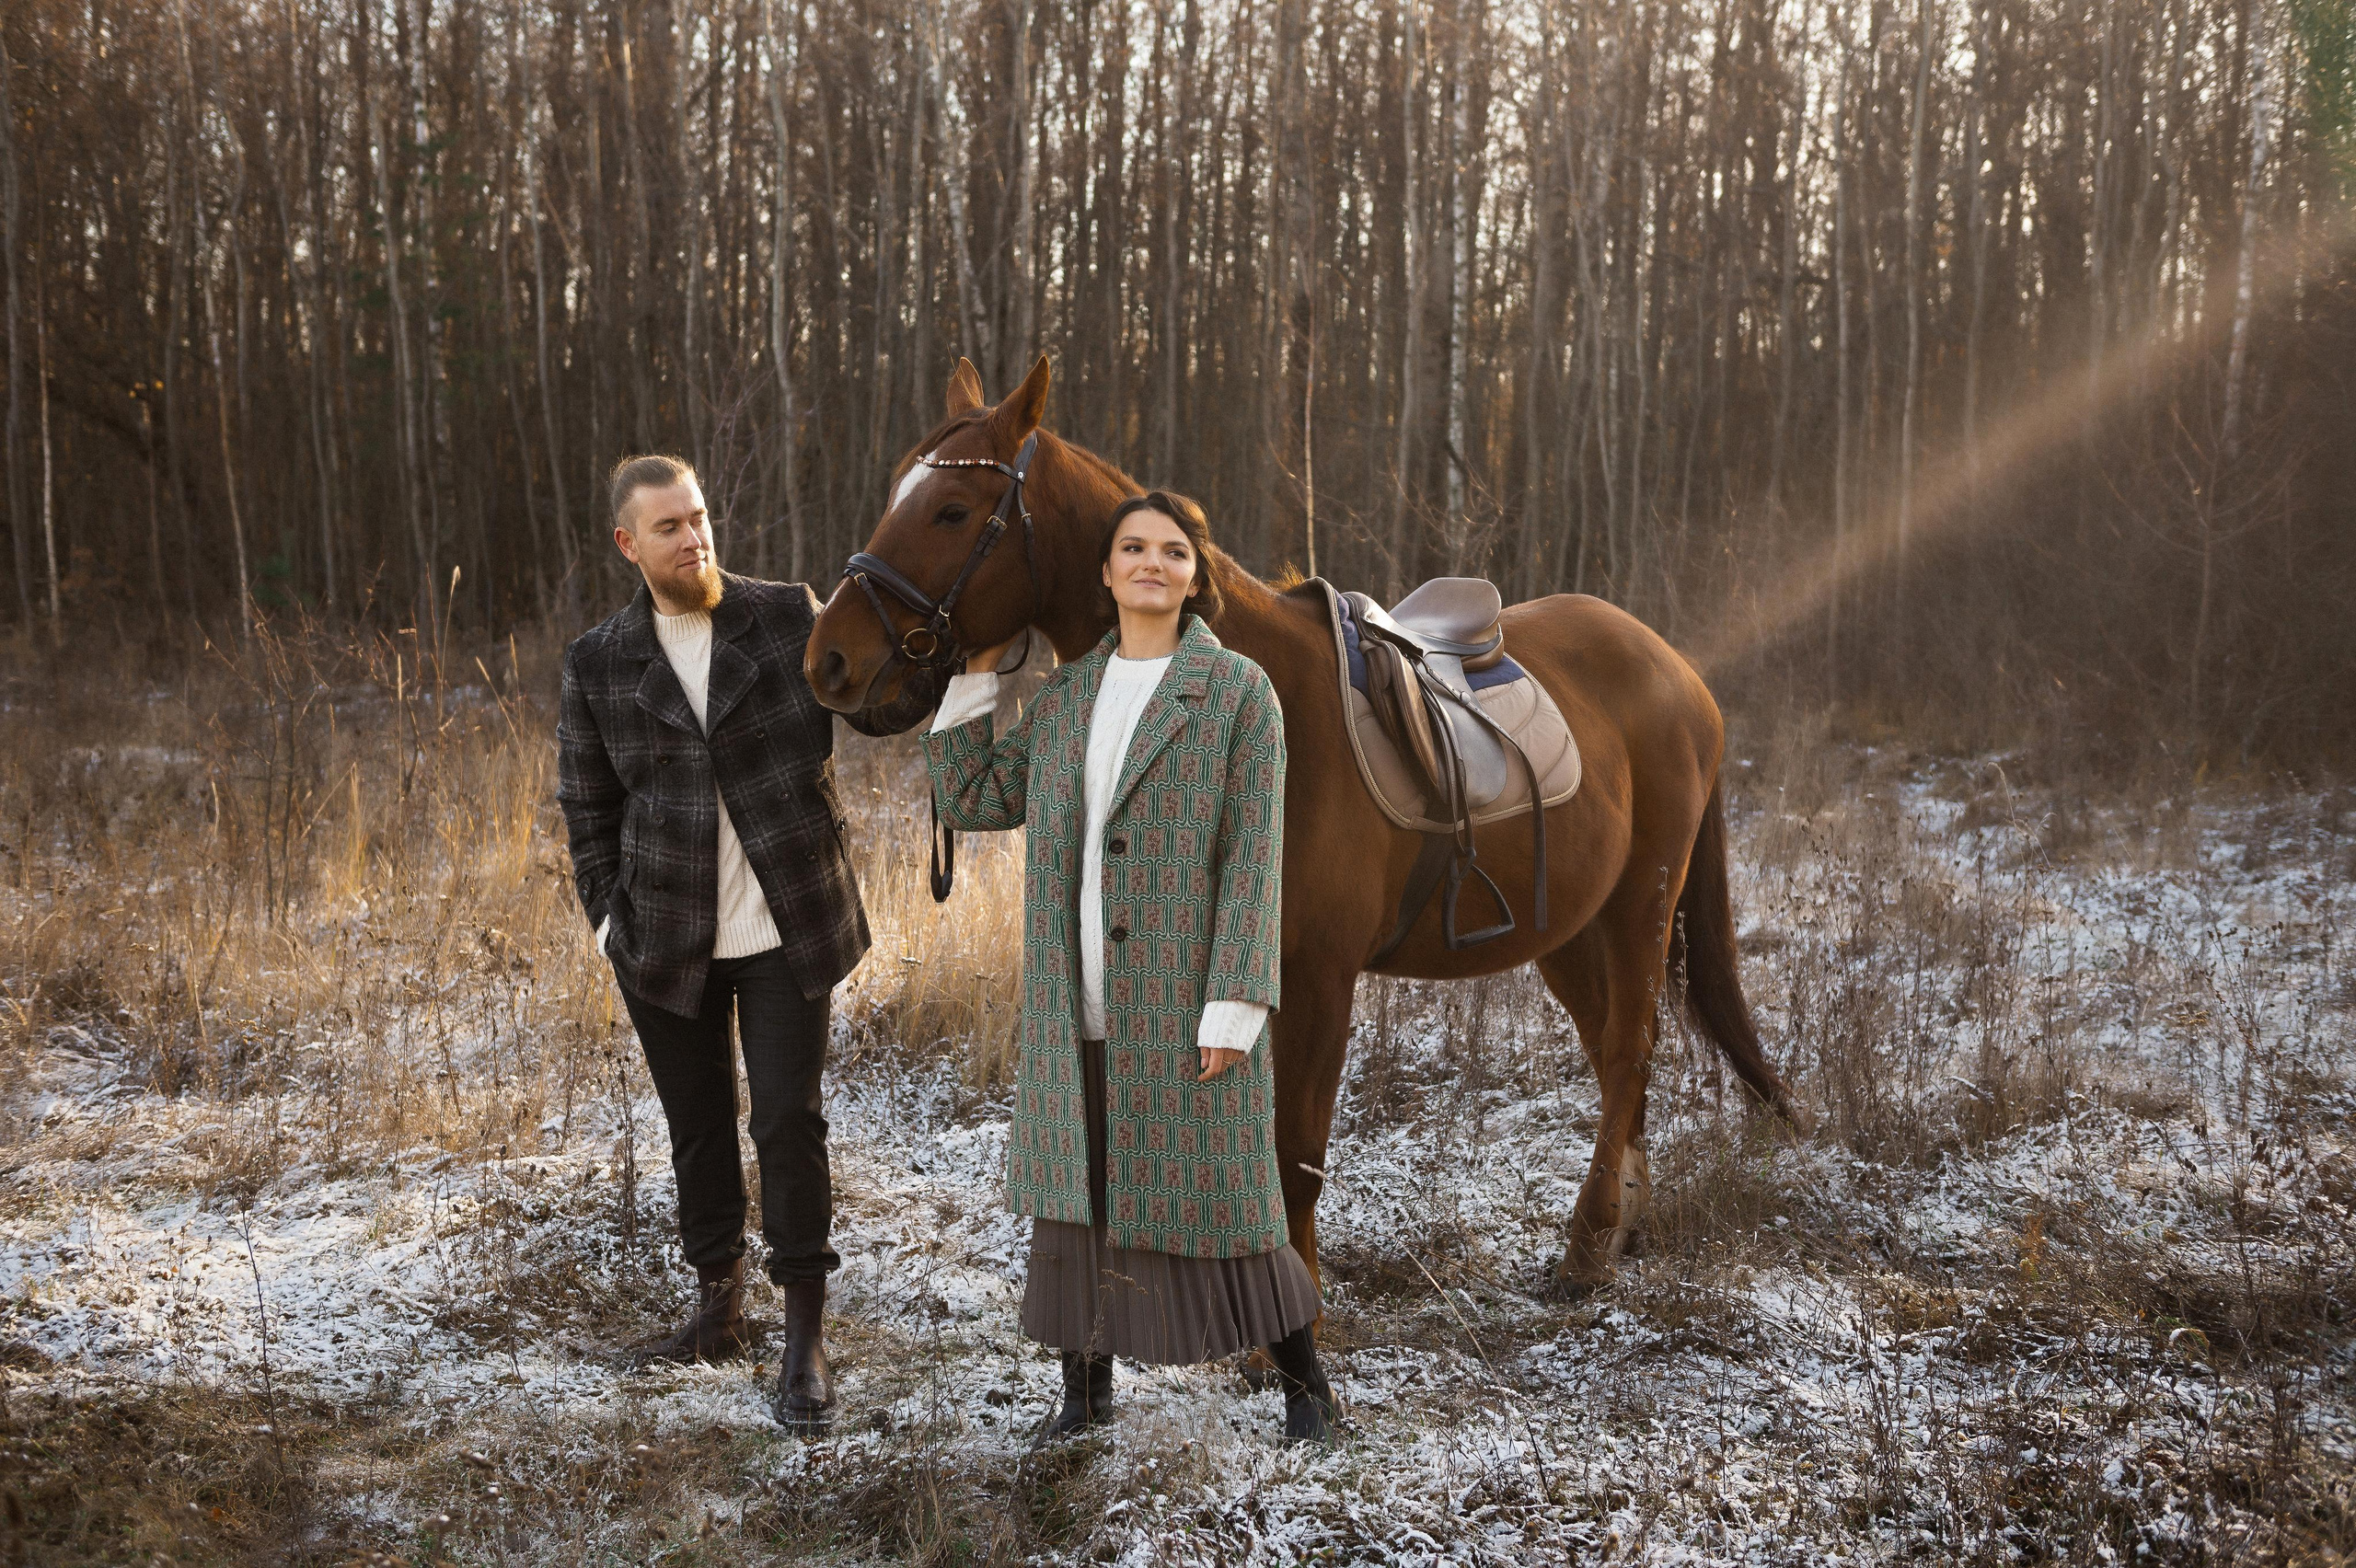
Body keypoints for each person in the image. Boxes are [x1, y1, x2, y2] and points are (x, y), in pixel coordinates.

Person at [924, 490, 1338, 1445]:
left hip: (1184, 999)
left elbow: (1252, 856)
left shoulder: (1238, 694)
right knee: (1080, 1208)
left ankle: (1305, 1386)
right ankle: (1083, 1395)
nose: (1151, 562)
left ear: (1196, 579)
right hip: (1075, 1000)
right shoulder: (1066, 697)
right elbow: (978, 796)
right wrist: (973, 680)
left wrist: (1234, 1004)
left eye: (1173, 551)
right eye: (1131, 548)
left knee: (1232, 1204)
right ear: (1105, 575)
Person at [556, 455, 945, 1432]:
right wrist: (609, 919)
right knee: (696, 1128)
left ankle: (804, 1331)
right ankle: (717, 1309)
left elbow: (875, 705)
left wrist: (946, 670)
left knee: (786, 1123)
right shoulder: (599, 659)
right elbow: (586, 807)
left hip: (786, 924)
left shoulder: (784, 616)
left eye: (698, 519)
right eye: (669, 529)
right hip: (664, 940)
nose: (694, 540)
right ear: (627, 545)